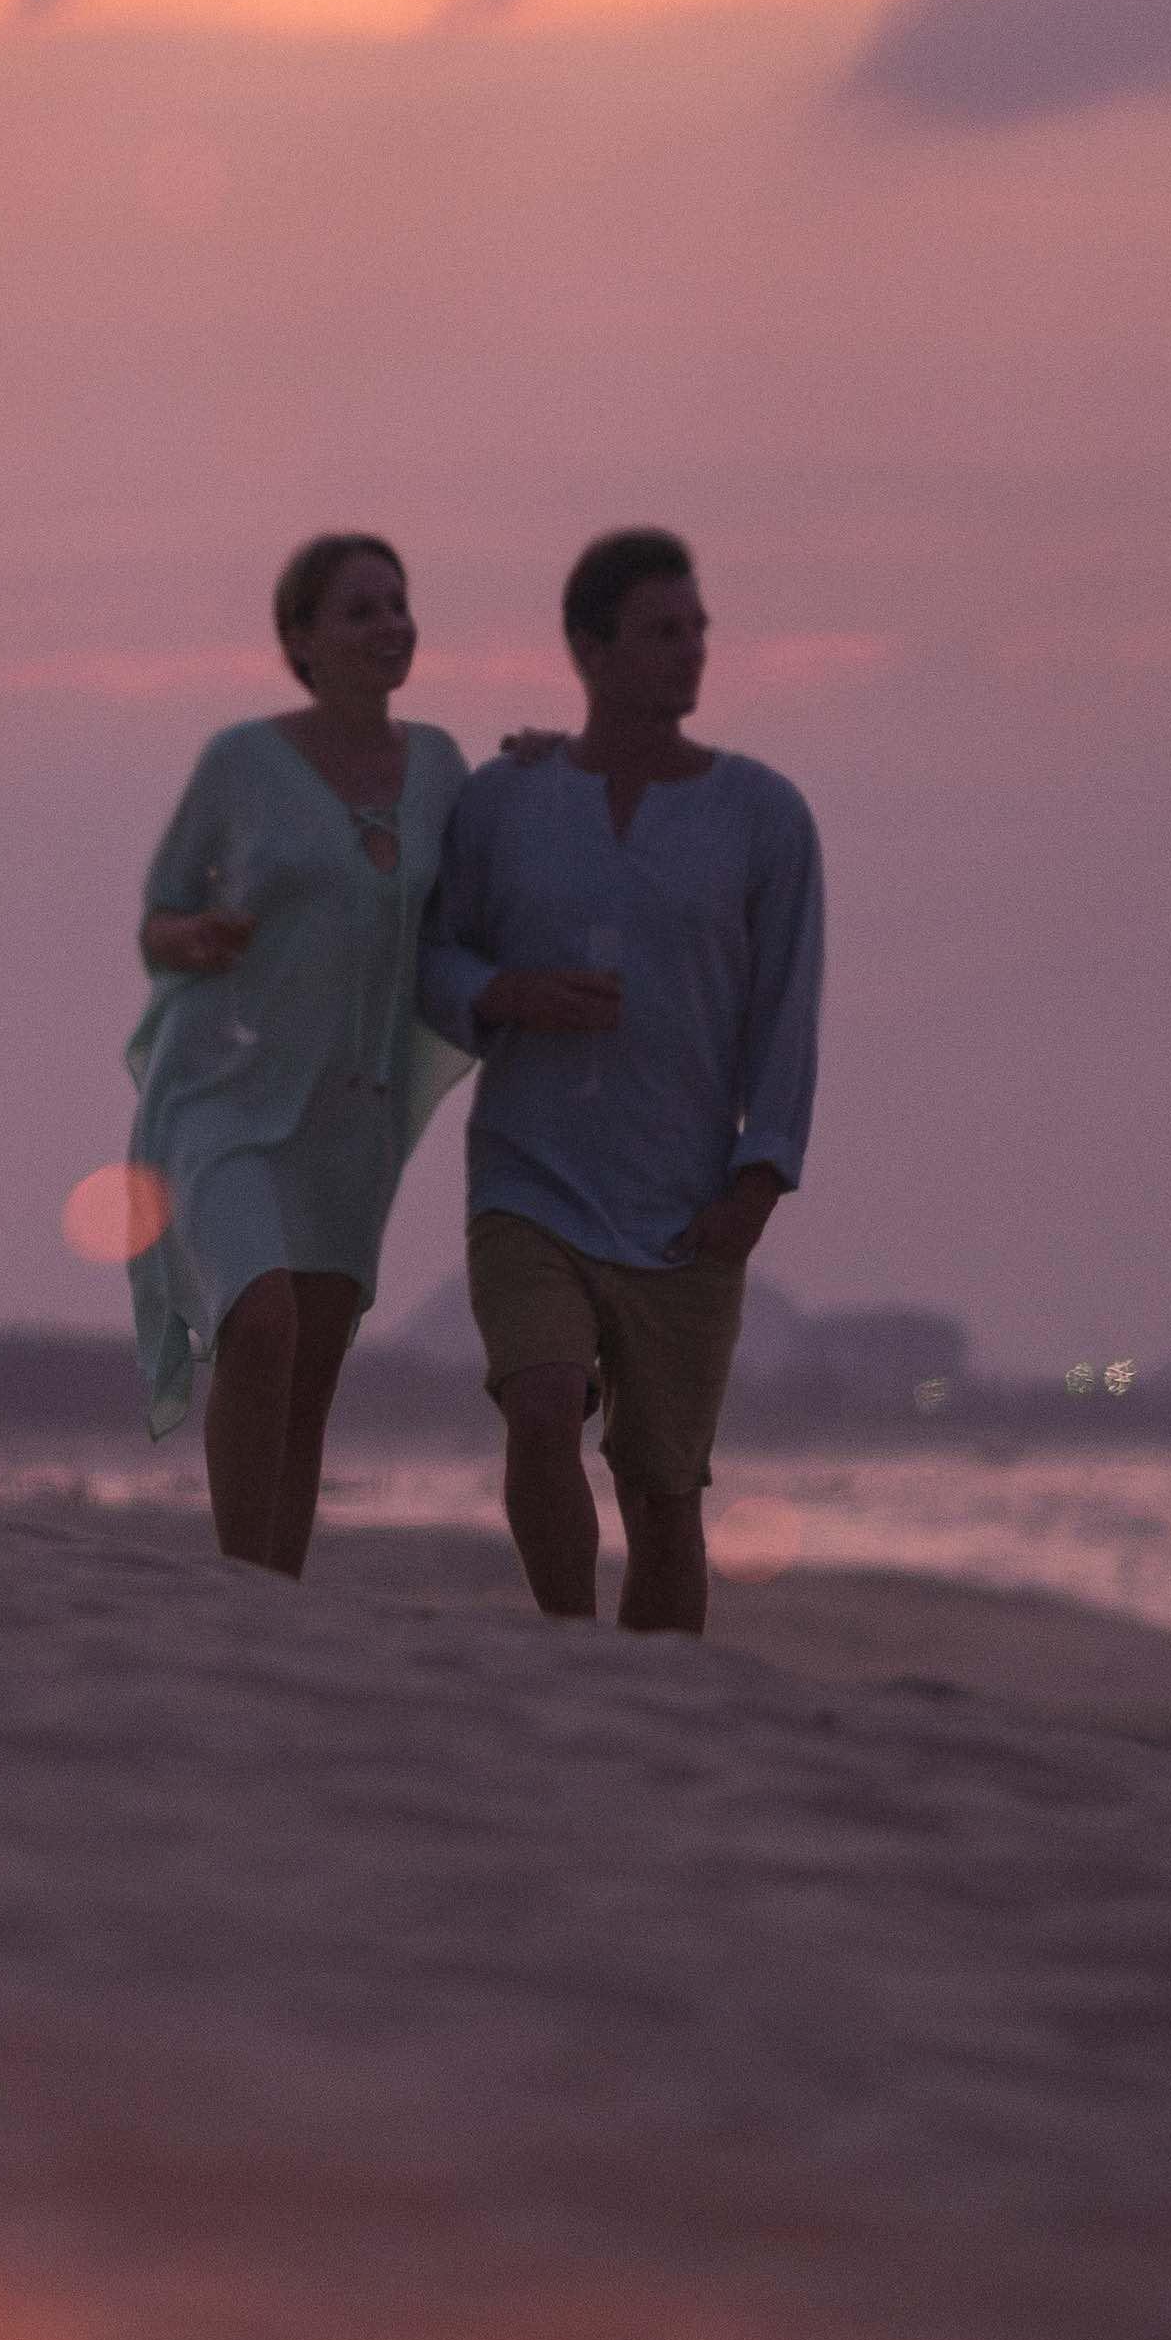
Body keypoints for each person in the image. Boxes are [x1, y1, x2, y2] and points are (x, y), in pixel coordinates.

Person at [414, 527, 820, 1634]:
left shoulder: (763, 815)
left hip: (684, 1199)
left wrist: (760, 1177)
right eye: (659, 632)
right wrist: (506, 993)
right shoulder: (505, 799)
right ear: (589, 649)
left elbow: (787, 1008)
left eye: (696, 631)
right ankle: (566, 1647)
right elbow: (434, 955)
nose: (688, 652)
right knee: (540, 1406)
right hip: (529, 1175)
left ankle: (661, 1710)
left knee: (663, 1492)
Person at [119, 532, 467, 1573]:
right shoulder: (242, 762)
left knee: (310, 1364)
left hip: (349, 1109)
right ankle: (238, 1584)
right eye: (360, 610)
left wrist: (545, 766)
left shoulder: (445, 768)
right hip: (222, 1087)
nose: (389, 625)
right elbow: (158, 919)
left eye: (399, 604)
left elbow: (489, 892)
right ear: (301, 639)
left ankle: (275, 1594)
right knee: (259, 1321)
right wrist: (197, 937)